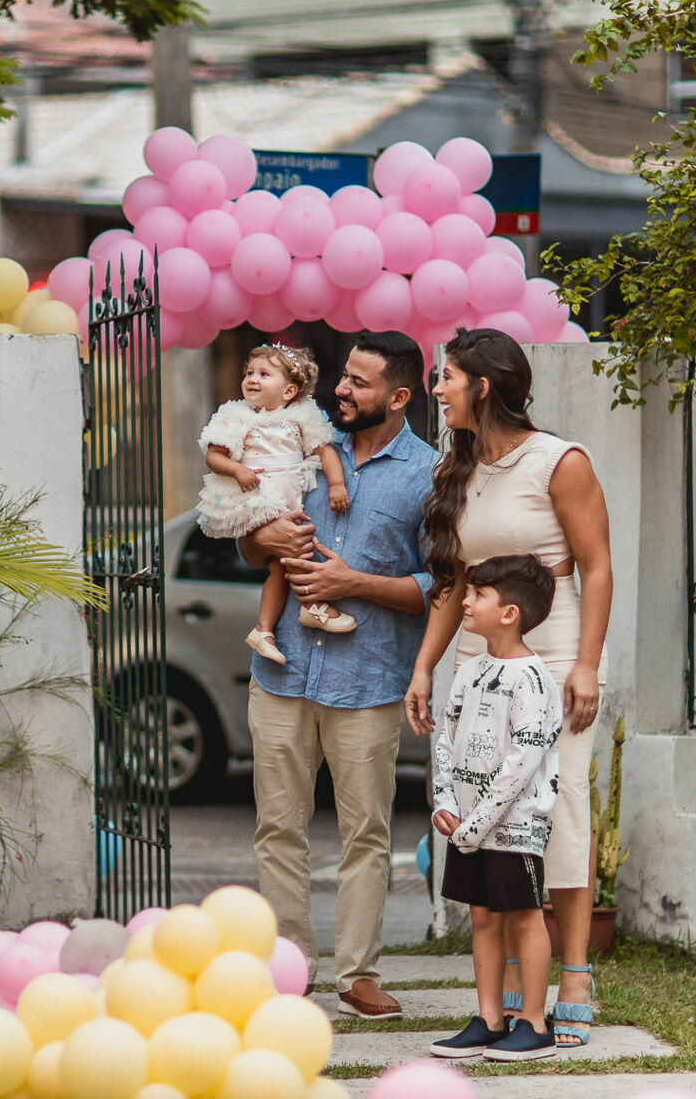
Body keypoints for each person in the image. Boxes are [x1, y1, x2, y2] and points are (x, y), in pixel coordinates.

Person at [404, 329, 613, 1050]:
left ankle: (576, 977)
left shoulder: (560, 462)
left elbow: (597, 567)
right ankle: (511, 1000)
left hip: (553, 658)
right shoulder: (456, 470)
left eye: (447, 378)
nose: (437, 390)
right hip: (474, 657)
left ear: (484, 385)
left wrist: (585, 666)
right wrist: (427, 667)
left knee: (560, 815)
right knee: (488, 817)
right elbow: (453, 583)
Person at [239, 331, 437, 1020]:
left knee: (366, 834)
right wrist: (259, 538)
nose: (342, 390)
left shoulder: (429, 475)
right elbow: (247, 533)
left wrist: (354, 581)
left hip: (370, 677)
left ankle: (358, 975)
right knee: (278, 828)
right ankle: (288, 968)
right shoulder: (294, 441)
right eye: (344, 377)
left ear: (400, 396)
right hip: (283, 670)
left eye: (359, 382)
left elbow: (438, 586)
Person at [417, 553, 563, 1063]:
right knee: (482, 918)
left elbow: (523, 762)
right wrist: (445, 801)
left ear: (509, 613)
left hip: (513, 829)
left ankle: (536, 1023)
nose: (465, 600)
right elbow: (446, 735)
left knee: (524, 917)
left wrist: (474, 825)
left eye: (477, 594)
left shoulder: (535, 680)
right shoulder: (471, 670)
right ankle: (490, 1018)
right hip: (466, 827)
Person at [198, 344, 351, 663]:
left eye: (264, 374)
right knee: (299, 551)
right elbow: (214, 455)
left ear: (289, 390)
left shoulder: (302, 416)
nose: (252, 379)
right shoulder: (235, 415)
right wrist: (237, 470)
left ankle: (263, 630)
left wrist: (336, 484)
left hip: (289, 499)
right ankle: (312, 606)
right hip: (257, 498)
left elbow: (325, 451)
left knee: (279, 570)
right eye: (249, 373)